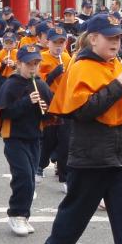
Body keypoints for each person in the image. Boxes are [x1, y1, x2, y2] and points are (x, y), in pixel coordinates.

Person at [44, 14, 122, 244]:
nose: (116, 42)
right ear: (92, 39)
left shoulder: (120, 65)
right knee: (72, 219)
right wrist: (116, 87)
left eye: (118, 38)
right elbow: (82, 111)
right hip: (90, 157)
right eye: (109, 37)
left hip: (121, 156)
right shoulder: (81, 66)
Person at [0, 45, 52, 236]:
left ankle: (24, 215)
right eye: (28, 64)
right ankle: (15, 214)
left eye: (36, 63)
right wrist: (27, 101)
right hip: (14, 137)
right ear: (19, 64)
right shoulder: (11, 84)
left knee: (31, 178)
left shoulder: (41, 84)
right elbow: (4, 112)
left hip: (34, 137)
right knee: (23, 177)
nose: (33, 68)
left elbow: (49, 113)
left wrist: (44, 109)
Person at [37, 28, 71, 192]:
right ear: (48, 42)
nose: (58, 46)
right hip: (48, 102)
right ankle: (40, 166)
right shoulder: (42, 58)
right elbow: (37, 81)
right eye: (55, 42)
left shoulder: (66, 57)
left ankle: (65, 177)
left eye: (61, 43)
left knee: (65, 140)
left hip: (64, 104)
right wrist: (52, 74)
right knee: (48, 138)